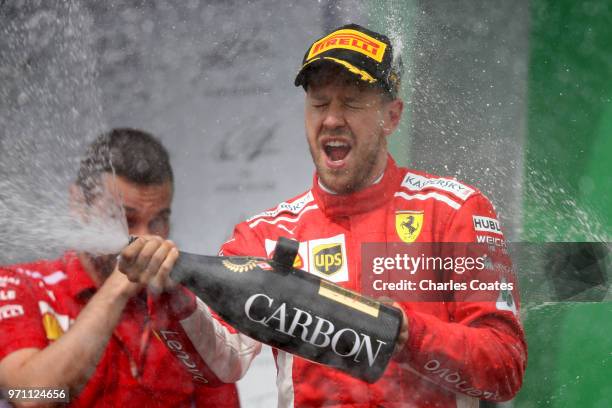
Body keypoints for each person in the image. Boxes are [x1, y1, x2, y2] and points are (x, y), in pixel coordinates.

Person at [121, 24, 527, 407]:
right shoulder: (263, 234)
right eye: (319, 103)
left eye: (350, 102)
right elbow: (222, 363)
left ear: (392, 116)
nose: (332, 118)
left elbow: (505, 367)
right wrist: (173, 296)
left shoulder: (454, 211)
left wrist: (410, 336)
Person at [0, 128, 239, 407]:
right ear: (79, 204)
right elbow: (30, 396)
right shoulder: (22, 285)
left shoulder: (185, 308)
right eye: (125, 218)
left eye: (158, 220)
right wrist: (119, 286)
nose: (146, 237)